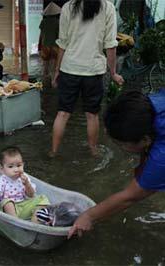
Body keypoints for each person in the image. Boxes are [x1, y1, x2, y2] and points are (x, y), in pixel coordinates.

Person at [68, 89, 165, 238]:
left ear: (145, 140)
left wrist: (89, 216)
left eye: (121, 143)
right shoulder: (150, 105)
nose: (120, 147)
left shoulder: (161, 157)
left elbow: (130, 197)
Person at [49, 0, 124, 157]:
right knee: (92, 115)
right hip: (93, 71)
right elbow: (110, 45)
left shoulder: (68, 7)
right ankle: (93, 151)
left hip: (69, 68)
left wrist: (57, 70)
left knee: (62, 113)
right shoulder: (108, 7)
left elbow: (62, 43)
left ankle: (53, 151)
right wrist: (113, 73)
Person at [0, 146, 50, 222]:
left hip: (25, 206)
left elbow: (31, 195)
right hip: (12, 210)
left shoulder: (24, 178)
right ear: (2, 169)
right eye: (10, 166)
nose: (16, 169)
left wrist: (27, 184)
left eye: (19, 165)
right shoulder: (2, 182)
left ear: (23, 164)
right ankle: (16, 223)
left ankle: (35, 222)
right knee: (7, 202)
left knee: (42, 198)